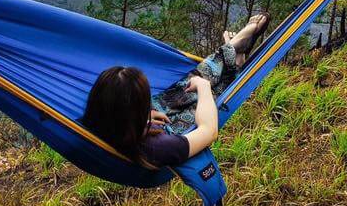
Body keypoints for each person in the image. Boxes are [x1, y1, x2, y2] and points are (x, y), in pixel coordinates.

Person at [82, 14, 270, 168]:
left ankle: (233, 51)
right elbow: (209, 131)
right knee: (212, 90)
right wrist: (203, 87)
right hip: (174, 128)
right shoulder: (159, 147)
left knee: (186, 84)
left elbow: (117, 112)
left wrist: (146, 116)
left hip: (148, 120)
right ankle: (234, 51)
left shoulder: (95, 121)